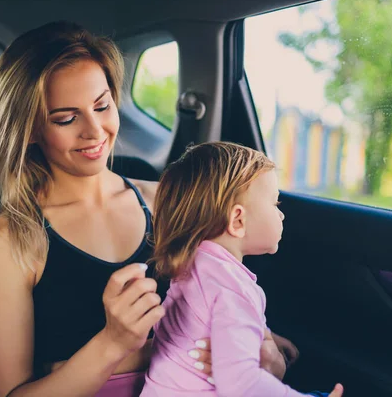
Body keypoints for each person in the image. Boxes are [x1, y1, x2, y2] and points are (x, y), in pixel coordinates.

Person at [0, 22, 294, 397]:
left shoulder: (165, 202)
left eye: (102, 105)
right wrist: (113, 343)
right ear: (29, 128)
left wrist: (269, 361)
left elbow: (236, 310)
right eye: (66, 118)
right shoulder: (9, 241)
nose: (95, 130)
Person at [140, 142, 344, 397]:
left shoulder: (192, 267)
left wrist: (264, 334)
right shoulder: (233, 287)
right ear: (238, 220)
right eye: (275, 204)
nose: (281, 215)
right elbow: (241, 385)